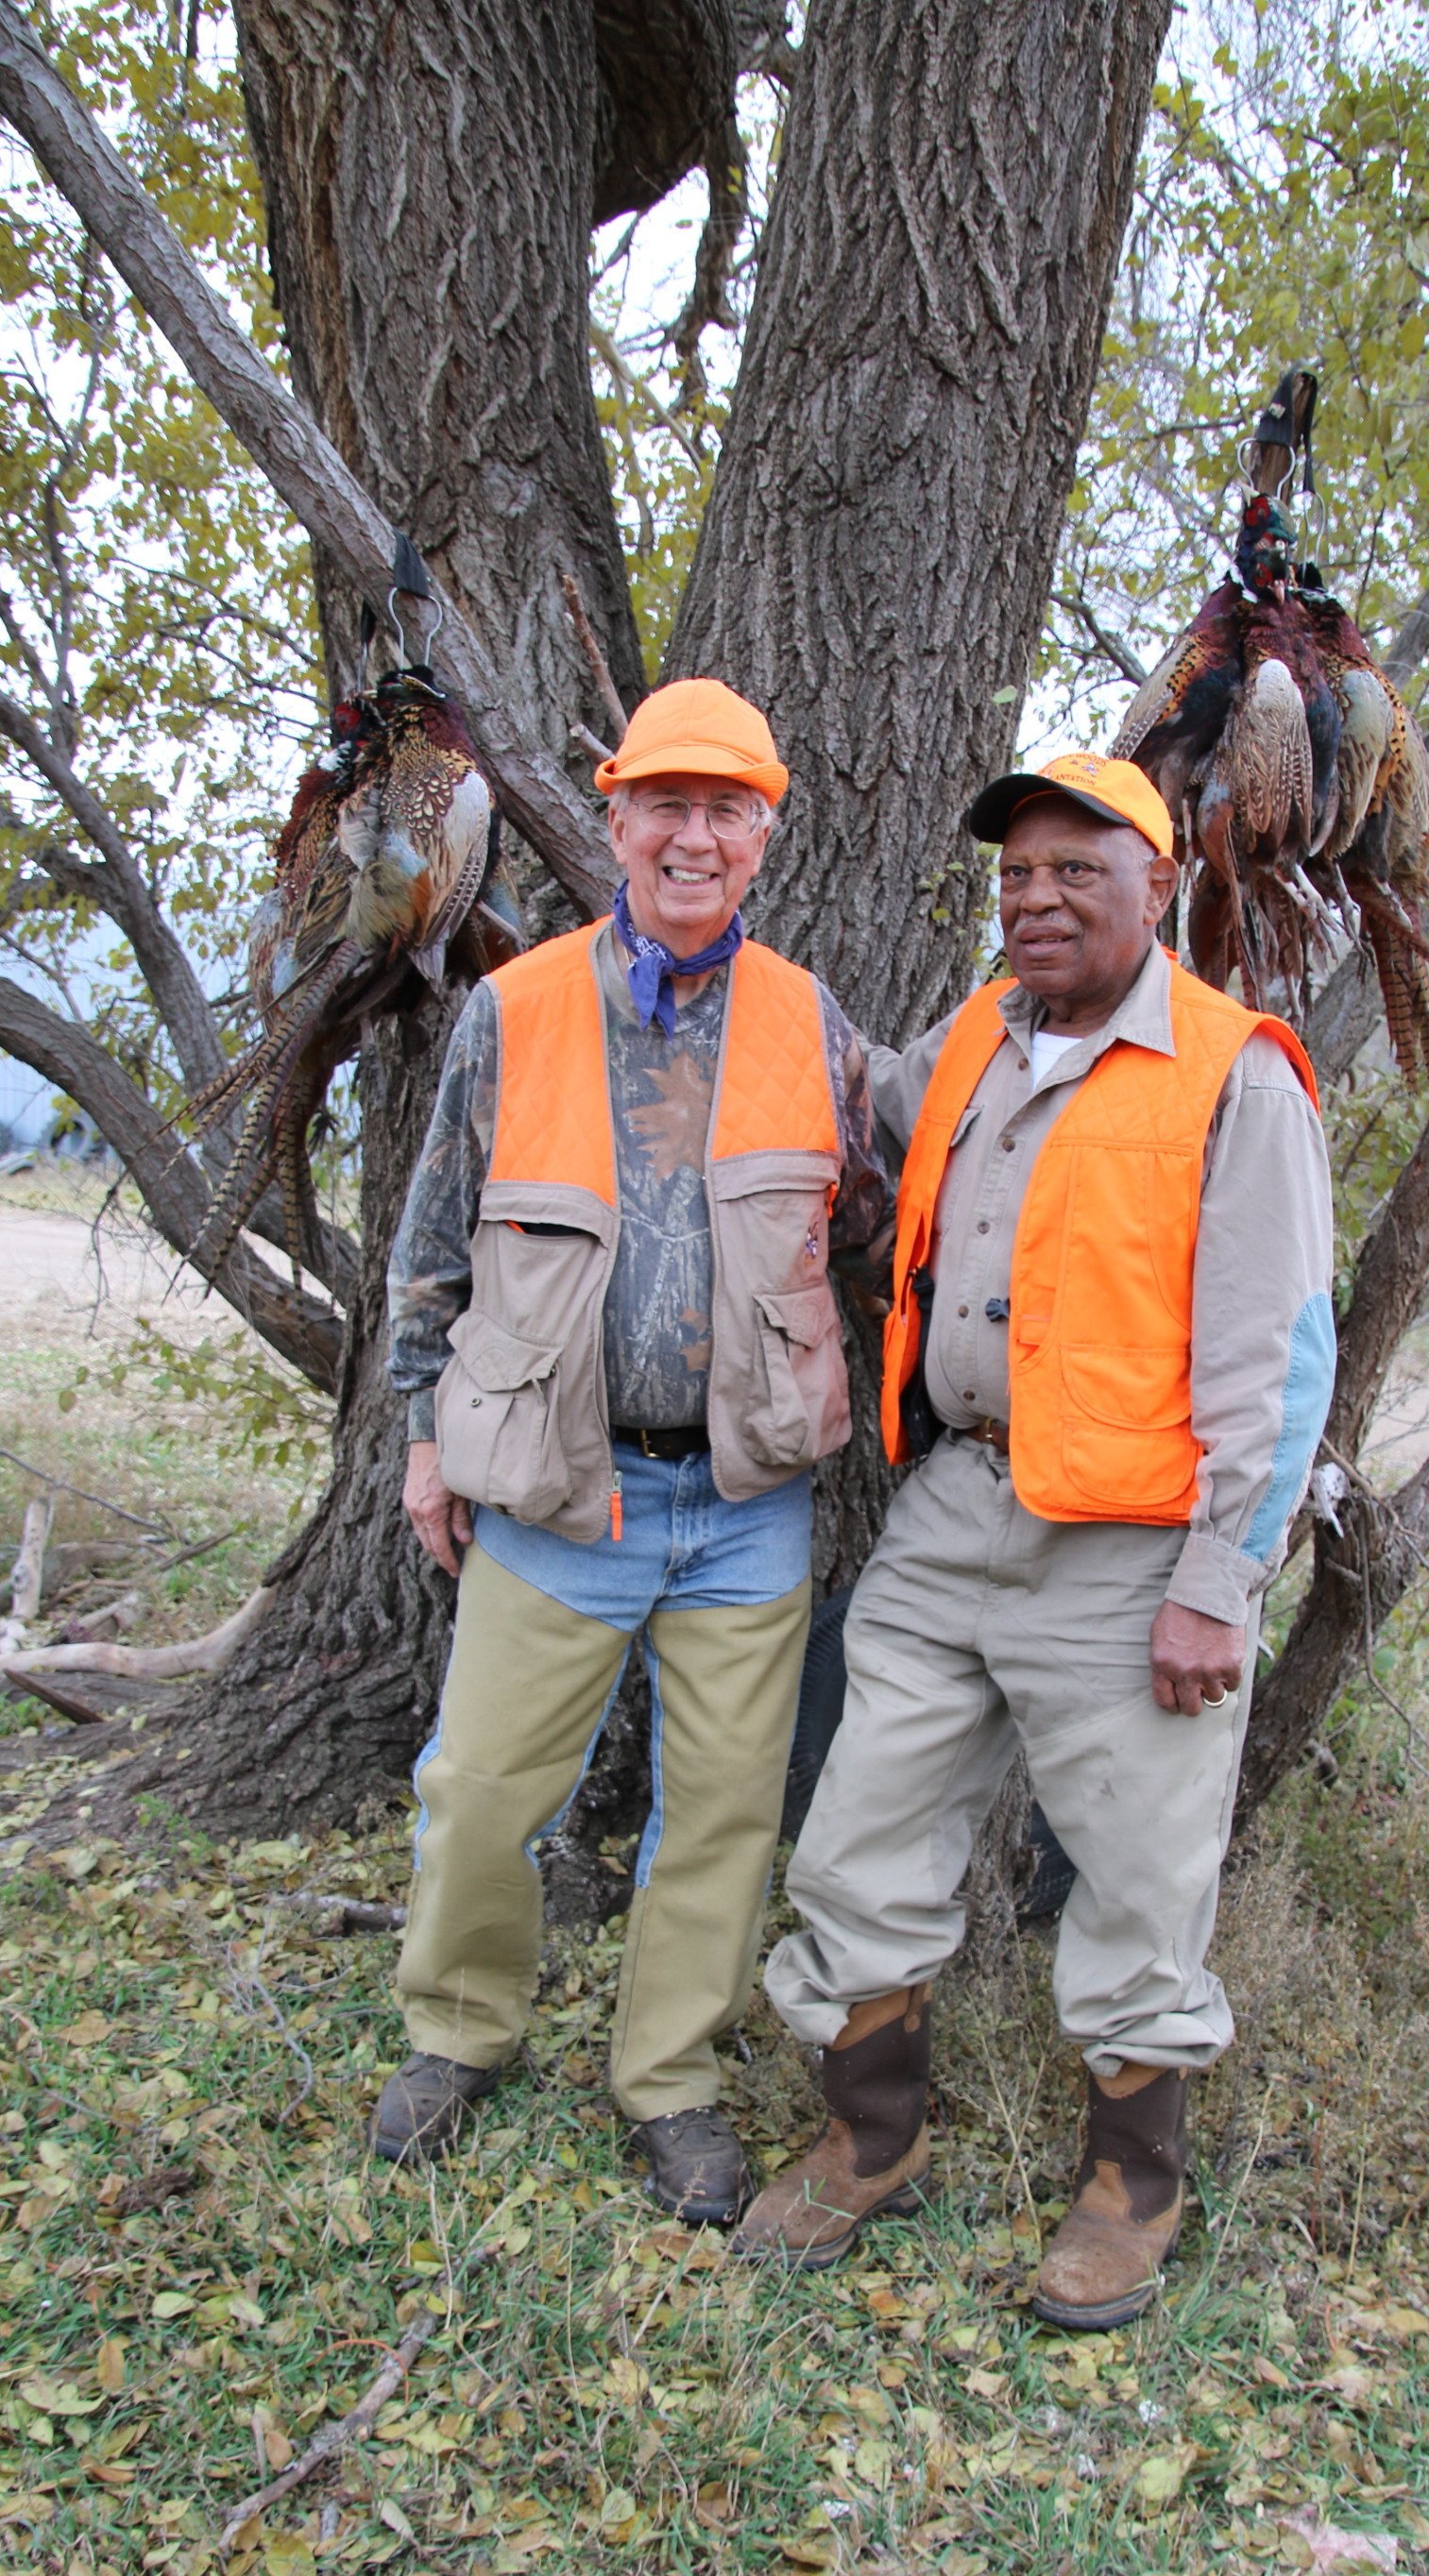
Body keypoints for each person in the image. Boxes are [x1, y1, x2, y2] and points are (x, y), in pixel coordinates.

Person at [736, 752, 1335, 2328]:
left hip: (1133, 1551)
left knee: (1138, 1888)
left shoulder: (1234, 1071)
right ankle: (873, 2139)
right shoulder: (974, 1042)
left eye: (1080, 870)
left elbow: (1285, 1355)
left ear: (1160, 887)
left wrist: (1222, 1582)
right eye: (1018, 874)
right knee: (860, 1837)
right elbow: (848, 1094)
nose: (1040, 897)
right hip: (953, 1513)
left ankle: (1132, 2192)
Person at [377, 677, 887, 2221]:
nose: (693, 834)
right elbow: (431, 1247)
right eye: (664, 802)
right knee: (479, 1790)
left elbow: (870, 1230)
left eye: (726, 808)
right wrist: (421, 1434)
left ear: (763, 836)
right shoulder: (512, 1007)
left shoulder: (812, 1019)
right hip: (557, 1490)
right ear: (613, 817)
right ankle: (460, 2032)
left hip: (744, 1503)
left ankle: (668, 2080)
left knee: (726, 1812)